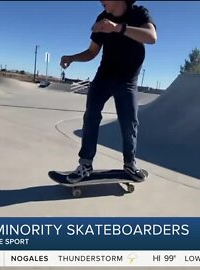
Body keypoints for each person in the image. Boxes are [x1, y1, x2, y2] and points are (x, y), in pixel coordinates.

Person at [60, 0, 157, 183]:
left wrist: (117, 28)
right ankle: (85, 164)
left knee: (129, 123)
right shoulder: (102, 18)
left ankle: (130, 165)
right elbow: (92, 52)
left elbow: (151, 37)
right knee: (91, 116)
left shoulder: (138, 14)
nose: (100, 1)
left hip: (127, 81)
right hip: (104, 77)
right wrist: (72, 57)